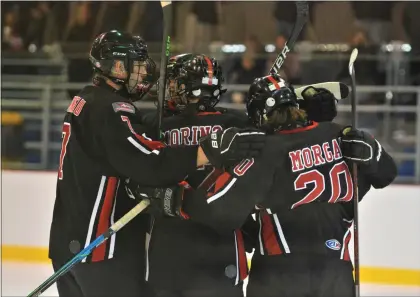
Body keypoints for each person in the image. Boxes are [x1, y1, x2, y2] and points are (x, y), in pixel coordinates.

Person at [135, 73, 397, 297]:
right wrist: (375, 154)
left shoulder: (265, 150)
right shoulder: (340, 135)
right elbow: (384, 175)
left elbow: (221, 211)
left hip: (279, 274)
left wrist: (176, 200)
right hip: (336, 272)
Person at [48, 30, 266, 297]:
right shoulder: (112, 109)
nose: (144, 74)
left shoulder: (84, 99)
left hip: (71, 242)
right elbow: (147, 163)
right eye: (138, 65)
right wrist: (203, 152)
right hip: (100, 247)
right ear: (117, 66)